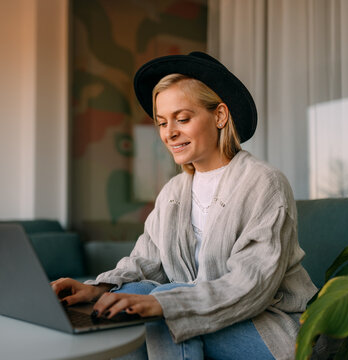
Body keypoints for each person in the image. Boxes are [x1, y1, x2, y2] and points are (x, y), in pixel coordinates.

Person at [52, 52, 318, 360]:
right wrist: (97, 289)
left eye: (182, 119)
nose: (169, 132)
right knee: (133, 295)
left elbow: (252, 285)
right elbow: (144, 261)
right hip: (206, 316)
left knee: (164, 302)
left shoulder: (264, 183)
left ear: (219, 116)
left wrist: (167, 303)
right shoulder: (173, 192)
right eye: (162, 122)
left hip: (270, 329)